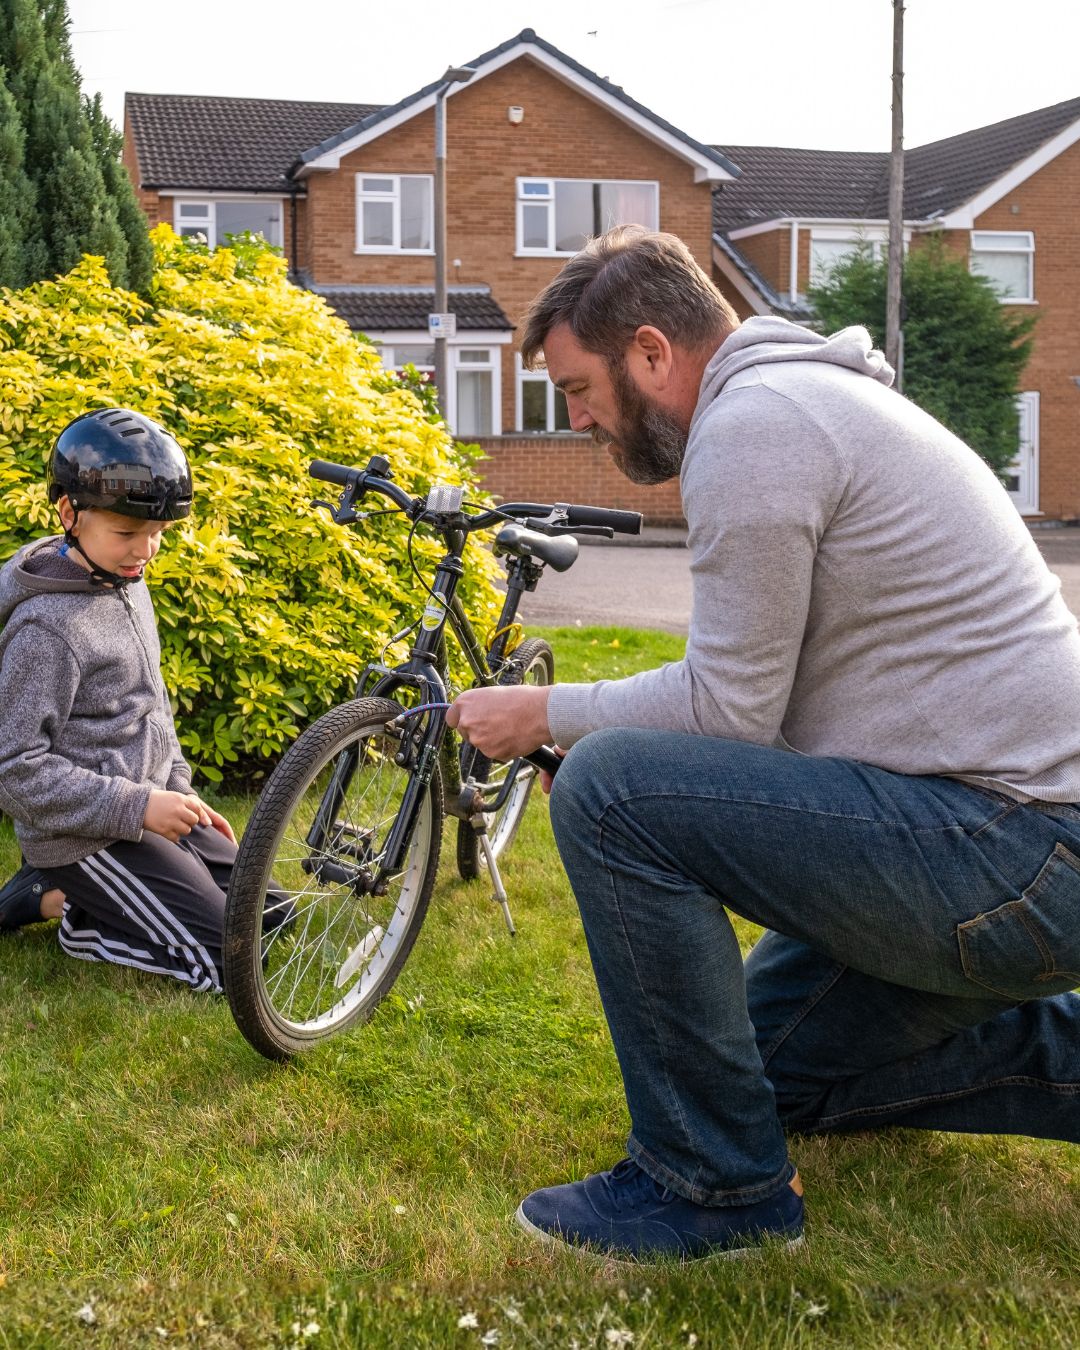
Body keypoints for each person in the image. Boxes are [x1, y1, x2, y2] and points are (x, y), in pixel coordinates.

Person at [446, 225, 1080, 1262]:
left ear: (651, 352)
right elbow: (767, 714)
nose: (581, 419)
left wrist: (545, 719)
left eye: (578, 388)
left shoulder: (755, 428)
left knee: (613, 789)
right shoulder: (809, 401)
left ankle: (717, 1196)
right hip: (1021, 848)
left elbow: (727, 709)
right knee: (762, 1071)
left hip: (1020, 847)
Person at [0, 408, 236, 990]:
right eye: (127, 533)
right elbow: (13, 769)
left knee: (270, 917)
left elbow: (149, 704)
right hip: (84, 835)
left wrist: (177, 792)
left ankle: (66, 894)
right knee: (229, 962)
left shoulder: (124, 579)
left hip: (143, 806)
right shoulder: (48, 631)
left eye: (156, 534)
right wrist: (138, 808)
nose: (145, 550)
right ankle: (76, 917)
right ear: (69, 514)